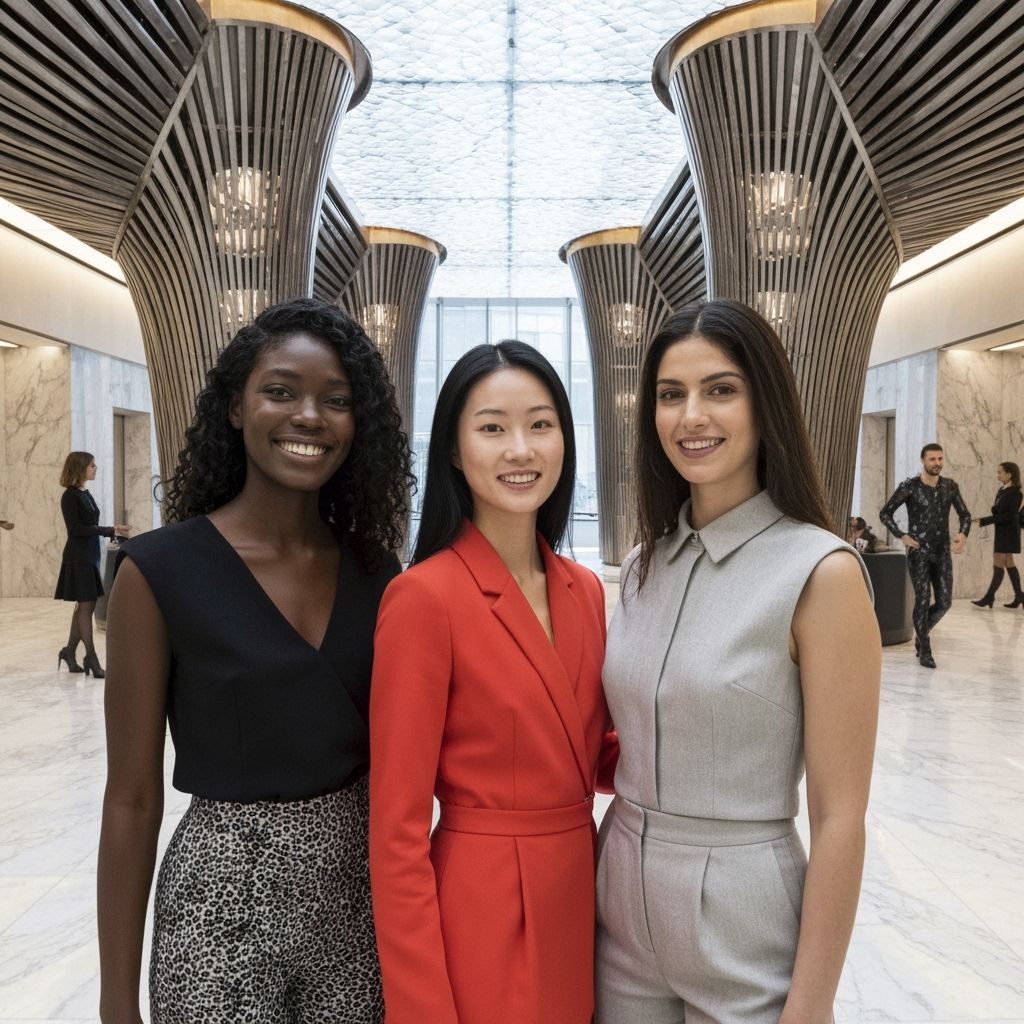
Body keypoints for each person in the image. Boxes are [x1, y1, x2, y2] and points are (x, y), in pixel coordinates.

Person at [97, 299, 412, 1024]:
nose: (309, 416)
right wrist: (116, 1000)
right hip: (219, 910)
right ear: (236, 408)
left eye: (336, 401)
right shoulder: (158, 571)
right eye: (280, 390)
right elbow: (131, 797)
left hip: (355, 913)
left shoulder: (377, 570)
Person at [596, 299, 880, 1024]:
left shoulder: (821, 571)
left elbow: (841, 815)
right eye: (671, 394)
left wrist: (809, 1008)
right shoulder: (641, 567)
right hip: (618, 904)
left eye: (720, 389)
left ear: (764, 404)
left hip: (745, 915)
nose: (692, 416)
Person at [369, 341, 616, 1024]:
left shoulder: (585, 592)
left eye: (541, 424)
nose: (520, 449)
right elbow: (396, 832)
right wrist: (421, 1009)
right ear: (452, 449)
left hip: (581, 897)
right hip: (480, 910)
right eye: (491, 428)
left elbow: (595, 754)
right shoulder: (425, 598)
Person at [879, 443, 970, 668]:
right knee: (922, 599)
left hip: (942, 551)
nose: (937, 463)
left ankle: (921, 633)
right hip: (918, 552)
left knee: (945, 602)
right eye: (932, 459)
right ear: (923, 460)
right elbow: (885, 513)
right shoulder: (909, 486)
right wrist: (902, 535)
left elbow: (965, 515)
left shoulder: (950, 486)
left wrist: (962, 534)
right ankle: (925, 650)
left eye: (940, 459)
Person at [54, 452, 129, 677]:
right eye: (92, 466)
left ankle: (68, 651)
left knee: (84, 606)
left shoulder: (84, 493)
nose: (95, 469)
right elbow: (75, 529)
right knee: (87, 607)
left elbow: (89, 524)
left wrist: (110, 528)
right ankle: (91, 658)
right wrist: (107, 530)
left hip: (89, 555)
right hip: (78, 557)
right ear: (80, 468)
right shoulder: (70, 496)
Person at [971, 460, 1023, 608]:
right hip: (1003, 531)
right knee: (1008, 563)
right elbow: (1000, 511)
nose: (997, 475)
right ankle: (1020, 596)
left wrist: (983, 520)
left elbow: (1009, 516)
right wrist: (994, 510)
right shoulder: (1003, 490)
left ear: (1009, 474)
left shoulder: (1016, 493)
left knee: (998, 562)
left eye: (1000, 472)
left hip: (1009, 533)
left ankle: (989, 597)